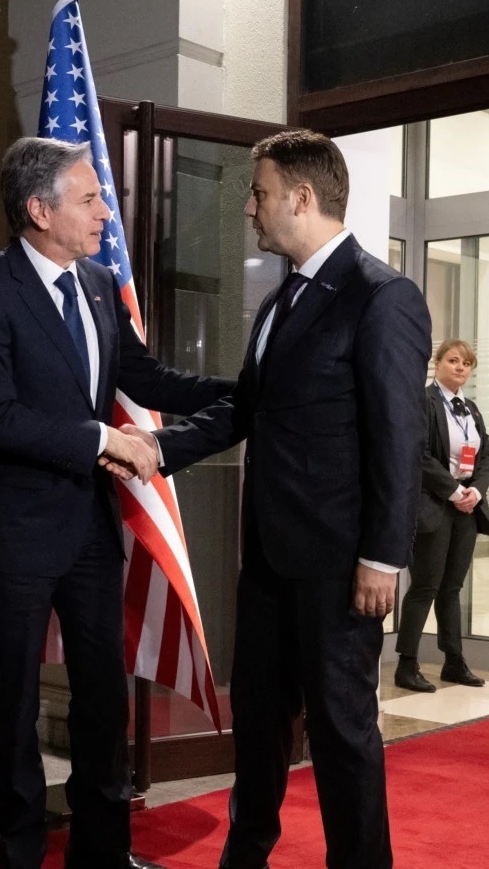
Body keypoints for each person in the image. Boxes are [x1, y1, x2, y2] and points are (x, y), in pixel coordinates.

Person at [113, 130, 430, 869]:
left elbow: (398, 439)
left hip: (339, 567)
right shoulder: (282, 299)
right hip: (267, 561)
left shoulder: (381, 297)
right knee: (256, 721)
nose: (250, 209)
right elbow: (248, 408)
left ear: (302, 197)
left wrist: (382, 558)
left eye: (259, 194)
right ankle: (245, 856)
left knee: (342, 732)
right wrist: (158, 448)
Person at [0, 136, 233, 869]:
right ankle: (21, 854)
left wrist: (246, 391)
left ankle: (102, 851)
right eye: (92, 198)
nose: (107, 213)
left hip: (89, 529)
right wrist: (104, 437)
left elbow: (148, 378)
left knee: (103, 694)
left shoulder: (100, 284)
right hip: (11, 529)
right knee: (13, 703)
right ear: (39, 211)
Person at [394, 340, 489, 692]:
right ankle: (406, 665)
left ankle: (454, 661)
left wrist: (475, 492)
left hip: (466, 508)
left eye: (466, 363)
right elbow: (418, 453)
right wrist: (452, 490)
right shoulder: (424, 401)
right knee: (425, 586)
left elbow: (485, 456)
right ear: (437, 363)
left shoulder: (472, 409)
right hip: (435, 504)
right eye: (453, 360)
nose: (460, 367)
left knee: (452, 588)